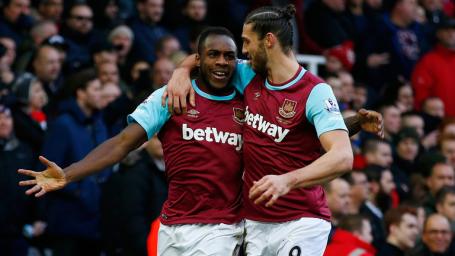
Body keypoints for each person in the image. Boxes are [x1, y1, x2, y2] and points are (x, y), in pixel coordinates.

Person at [164, 4, 383, 255]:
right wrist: (181, 71)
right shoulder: (248, 75)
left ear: (268, 40)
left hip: (301, 220)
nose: (243, 51)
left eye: (247, 42)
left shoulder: (314, 90)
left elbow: (342, 157)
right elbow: (205, 57)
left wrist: (287, 180)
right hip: (255, 223)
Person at [19, 27, 245, 255]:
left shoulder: (248, 97)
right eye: (213, 54)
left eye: (229, 56)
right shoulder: (169, 96)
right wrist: (69, 173)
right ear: (198, 59)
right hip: (174, 226)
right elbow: (121, 143)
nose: (222, 62)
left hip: (223, 227)